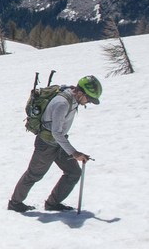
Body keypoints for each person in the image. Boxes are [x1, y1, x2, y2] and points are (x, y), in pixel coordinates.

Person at [8, 75, 101, 213]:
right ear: (80, 93)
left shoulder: (72, 96)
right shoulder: (62, 103)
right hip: (46, 144)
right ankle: (15, 203)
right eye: (89, 99)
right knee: (34, 174)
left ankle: (53, 203)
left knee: (73, 172)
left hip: (59, 144)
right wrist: (74, 153)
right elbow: (56, 132)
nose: (88, 102)